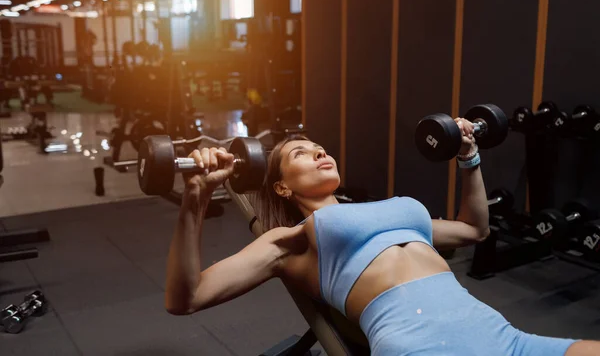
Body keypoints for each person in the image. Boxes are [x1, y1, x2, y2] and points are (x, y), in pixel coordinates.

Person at [165, 117, 599, 355]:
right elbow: (186, 298)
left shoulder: (391, 210)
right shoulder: (291, 239)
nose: (320, 151)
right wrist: (196, 198)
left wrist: (470, 157)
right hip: (422, 347)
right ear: (282, 187)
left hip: (508, 339)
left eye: (320, 147)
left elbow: (474, 229)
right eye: (301, 152)